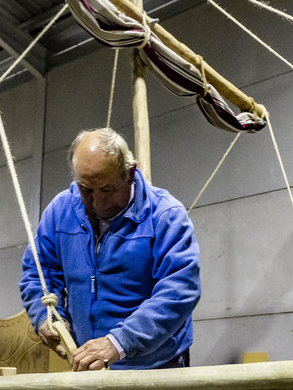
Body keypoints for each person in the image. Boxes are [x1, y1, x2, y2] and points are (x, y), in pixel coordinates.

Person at [20, 127, 200, 371]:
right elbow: (38, 271)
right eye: (86, 189)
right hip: (89, 364)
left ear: (130, 173)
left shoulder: (165, 215)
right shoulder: (60, 211)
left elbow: (179, 290)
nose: (98, 202)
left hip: (157, 364)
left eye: (107, 189)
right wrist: (46, 315)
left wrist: (118, 343)